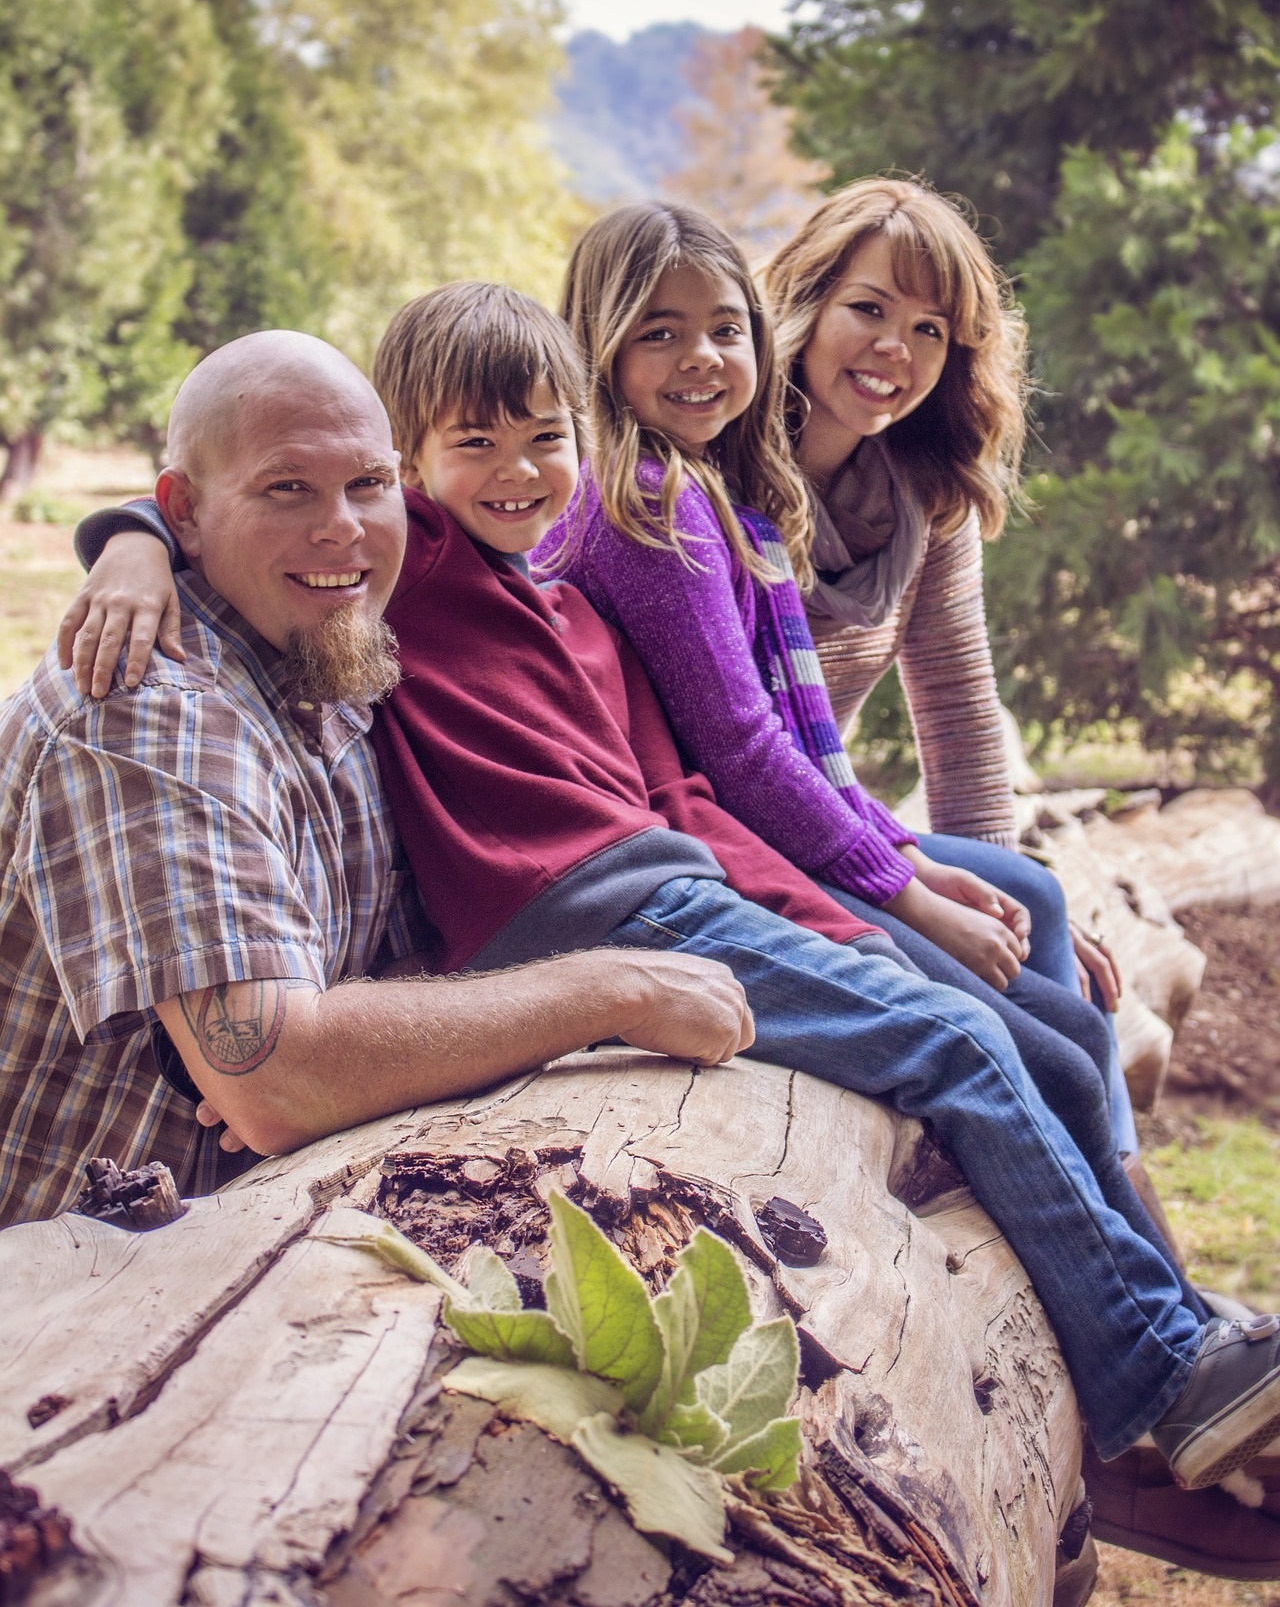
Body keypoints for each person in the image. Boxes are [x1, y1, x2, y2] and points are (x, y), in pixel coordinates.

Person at [60, 290, 1280, 1500]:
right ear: (425, 464)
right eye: (470, 445)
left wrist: (846, 922)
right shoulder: (412, 569)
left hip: (672, 896)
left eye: (545, 439)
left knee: (993, 1029)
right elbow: (277, 480)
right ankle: (1154, 1372)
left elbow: (684, 803)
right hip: (574, 920)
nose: (513, 470)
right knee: (957, 1043)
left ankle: (1161, 1341)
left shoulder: (568, 607)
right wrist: (127, 538)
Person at [0, 331, 755, 1230]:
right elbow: (276, 1083)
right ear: (184, 516)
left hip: (253, 1227)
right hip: (68, 1293)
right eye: (289, 489)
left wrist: (322, 1041)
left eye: (368, 485)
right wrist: (616, 991)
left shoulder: (336, 660)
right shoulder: (149, 713)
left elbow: (355, 997)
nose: (342, 527)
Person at [540, 198, 1140, 1156]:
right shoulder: (712, 461)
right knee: (1035, 1028)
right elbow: (742, 743)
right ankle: (1119, 1233)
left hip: (827, 805)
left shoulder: (921, 494)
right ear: (805, 306)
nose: (895, 348)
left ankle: (1132, 1212)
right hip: (733, 825)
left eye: (930, 329)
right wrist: (919, 898)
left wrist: (992, 919)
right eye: (869, 309)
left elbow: (956, 706)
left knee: (1037, 904)